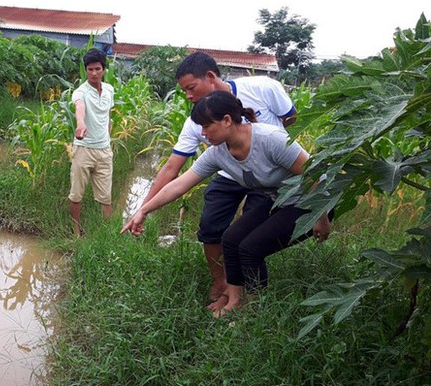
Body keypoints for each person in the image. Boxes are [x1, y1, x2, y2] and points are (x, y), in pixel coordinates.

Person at [122, 91, 332, 316]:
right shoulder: (218, 153)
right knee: (231, 240)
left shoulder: (271, 139)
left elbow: (314, 175)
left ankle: (253, 309)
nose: (203, 133)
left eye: (206, 126)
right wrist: (143, 210)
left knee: (251, 248)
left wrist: (321, 216)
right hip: (277, 199)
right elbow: (180, 184)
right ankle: (234, 299)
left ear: (227, 120)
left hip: (312, 201)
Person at [137, 51, 297, 309]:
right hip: (229, 170)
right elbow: (175, 172)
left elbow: (292, 122)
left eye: (191, 88)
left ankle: (249, 299)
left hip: (272, 177)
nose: (188, 96)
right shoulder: (206, 134)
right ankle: (225, 288)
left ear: (210, 77)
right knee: (217, 230)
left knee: (251, 239)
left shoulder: (264, 92)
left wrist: (270, 149)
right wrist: (144, 207)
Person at [68, 48, 114, 236]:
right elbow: (80, 108)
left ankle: (105, 235)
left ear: (104, 69)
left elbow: (108, 117)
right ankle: (75, 232)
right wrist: (80, 124)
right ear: (85, 70)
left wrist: (108, 139)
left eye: (97, 69)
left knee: (106, 198)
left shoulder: (109, 90)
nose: (94, 73)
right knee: (76, 194)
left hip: (104, 151)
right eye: (90, 69)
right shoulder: (81, 92)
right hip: (83, 149)